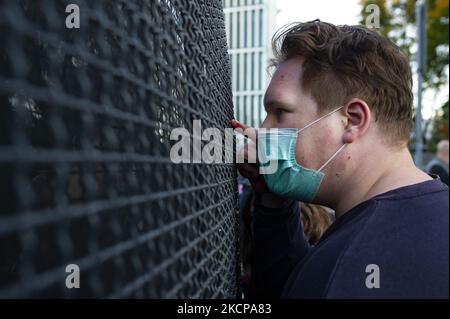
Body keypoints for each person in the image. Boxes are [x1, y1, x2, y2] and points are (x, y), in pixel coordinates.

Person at [232, 20, 449, 298]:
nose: (264, 129)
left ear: (352, 121)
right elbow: (297, 284)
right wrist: (275, 198)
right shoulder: (420, 222)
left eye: (280, 111)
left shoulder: (356, 262)